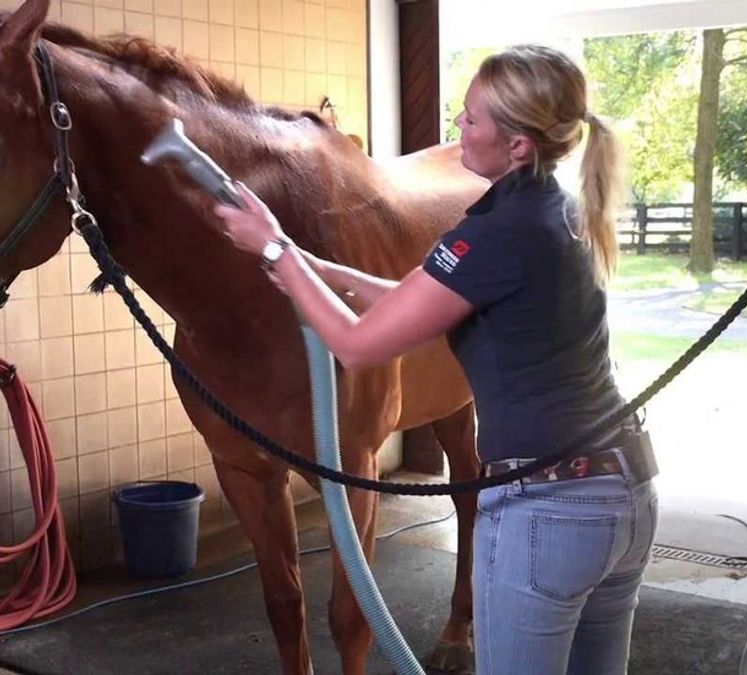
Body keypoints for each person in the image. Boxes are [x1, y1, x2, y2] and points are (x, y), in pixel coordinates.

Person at [214, 44, 658, 675]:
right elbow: (416, 300)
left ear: (518, 146)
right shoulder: (552, 208)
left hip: (550, 511)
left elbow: (358, 345)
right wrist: (302, 260)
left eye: (472, 119)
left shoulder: (498, 231)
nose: (458, 128)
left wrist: (271, 252)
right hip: (623, 493)